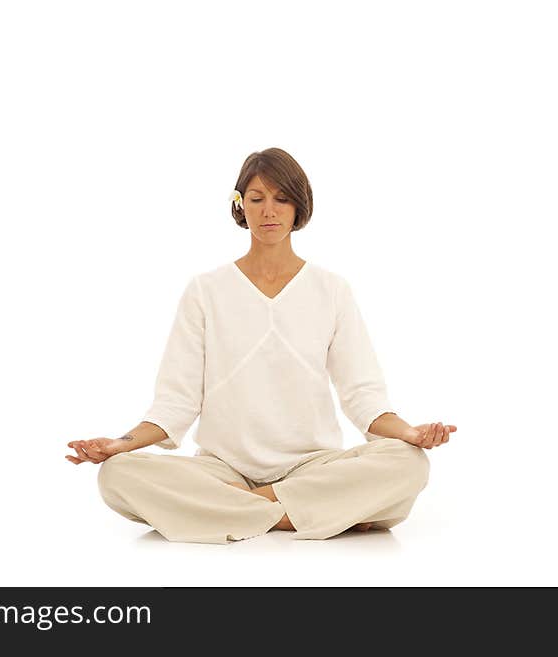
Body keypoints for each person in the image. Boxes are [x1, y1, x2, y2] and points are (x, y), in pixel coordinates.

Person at [66, 147, 456, 544]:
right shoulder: (206, 291)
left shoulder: (331, 290)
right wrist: (118, 444)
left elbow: (363, 396)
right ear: (240, 206)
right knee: (116, 475)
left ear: (298, 206)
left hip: (313, 465)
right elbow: (176, 403)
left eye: (282, 199)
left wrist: (409, 434)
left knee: (408, 464)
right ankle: (314, 512)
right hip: (223, 471)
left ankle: (242, 509)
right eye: (257, 199)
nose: (269, 211)